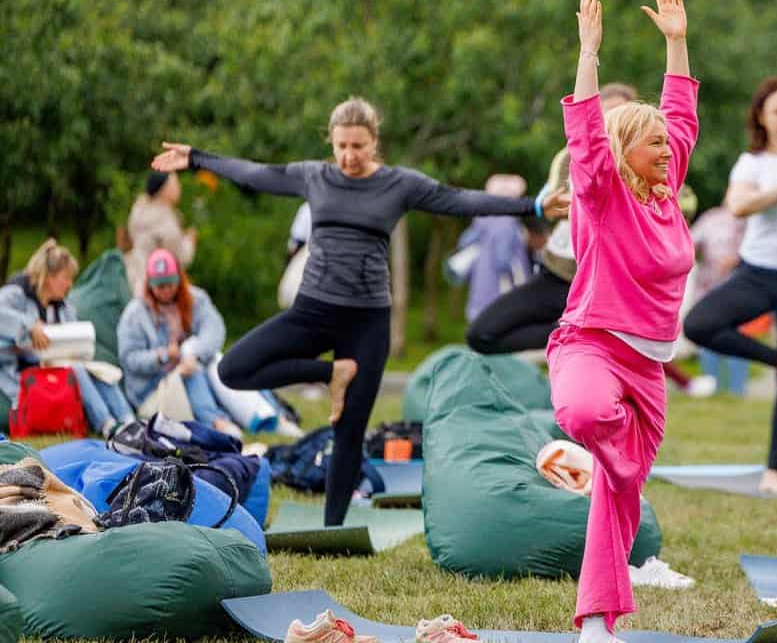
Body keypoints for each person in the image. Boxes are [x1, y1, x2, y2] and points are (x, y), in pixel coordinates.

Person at [150, 100, 569, 526]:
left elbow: (456, 200)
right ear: (330, 142)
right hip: (312, 312)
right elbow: (257, 173)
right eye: (342, 146)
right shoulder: (315, 176)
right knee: (235, 368)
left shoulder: (398, 184)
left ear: (375, 142)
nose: (349, 156)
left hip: (367, 320)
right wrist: (197, 158)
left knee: (350, 430)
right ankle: (331, 373)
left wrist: (531, 207)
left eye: (359, 146)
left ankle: (333, 526)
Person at [549, 0, 697, 643]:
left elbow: (682, 114)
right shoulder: (606, 194)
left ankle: (597, 626)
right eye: (655, 146)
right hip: (592, 345)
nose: (669, 152)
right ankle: (586, 454)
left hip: (650, 368)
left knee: (623, 488)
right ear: (625, 151)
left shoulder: (666, 191)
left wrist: (676, 42)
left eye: (669, 146)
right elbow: (584, 137)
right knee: (583, 414)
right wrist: (589, 53)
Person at [683, 73, 777, 495]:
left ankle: (774, 472)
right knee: (698, 324)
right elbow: (737, 204)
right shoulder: (752, 163)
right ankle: (776, 358)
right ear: (763, 118)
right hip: (756, 272)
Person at [464, 85, 639, 357]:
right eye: (603, 114)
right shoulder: (571, 156)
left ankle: (591, 341)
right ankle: (574, 335)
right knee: (481, 334)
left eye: (619, 114)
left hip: (600, 287)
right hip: (556, 274)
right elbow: (556, 206)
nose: (608, 121)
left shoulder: (641, 162)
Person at [0, 240, 136, 437]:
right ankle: (107, 424)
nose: (70, 284)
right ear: (48, 277)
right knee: (76, 368)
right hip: (26, 375)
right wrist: (28, 325)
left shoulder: (64, 308)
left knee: (99, 371)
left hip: (58, 371)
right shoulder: (17, 294)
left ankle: (129, 420)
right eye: (65, 278)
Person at [117, 248, 240, 435]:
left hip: (189, 367)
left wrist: (193, 354)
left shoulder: (195, 299)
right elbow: (129, 358)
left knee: (218, 362)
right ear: (150, 285)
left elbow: (214, 329)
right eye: (160, 286)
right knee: (190, 373)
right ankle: (216, 422)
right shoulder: (135, 314)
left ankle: (267, 415)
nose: (166, 290)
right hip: (152, 390)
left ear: (179, 280)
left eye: (170, 284)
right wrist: (162, 356)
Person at [688, 205, 750, 395]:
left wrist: (737, 258)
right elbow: (690, 243)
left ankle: (737, 391)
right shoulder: (711, 218)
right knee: (708, 336)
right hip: (708, 289)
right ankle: (710, 387)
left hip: (738, 290)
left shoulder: (750, 221)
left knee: (736, 339)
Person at [456, 175, 533, 324]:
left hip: (478, 290)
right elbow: (503, 261)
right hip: (498, 295)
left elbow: (463, 243)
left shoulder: (481, 218)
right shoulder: (507, 222)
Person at [125, 171, 198, 295]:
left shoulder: (139, 211)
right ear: (165, 189)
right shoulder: (166, 222)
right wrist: (190, 241)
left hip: (132, 277)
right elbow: (180, 258)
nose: (179, 187)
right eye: (175, 184)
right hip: (156, 286)